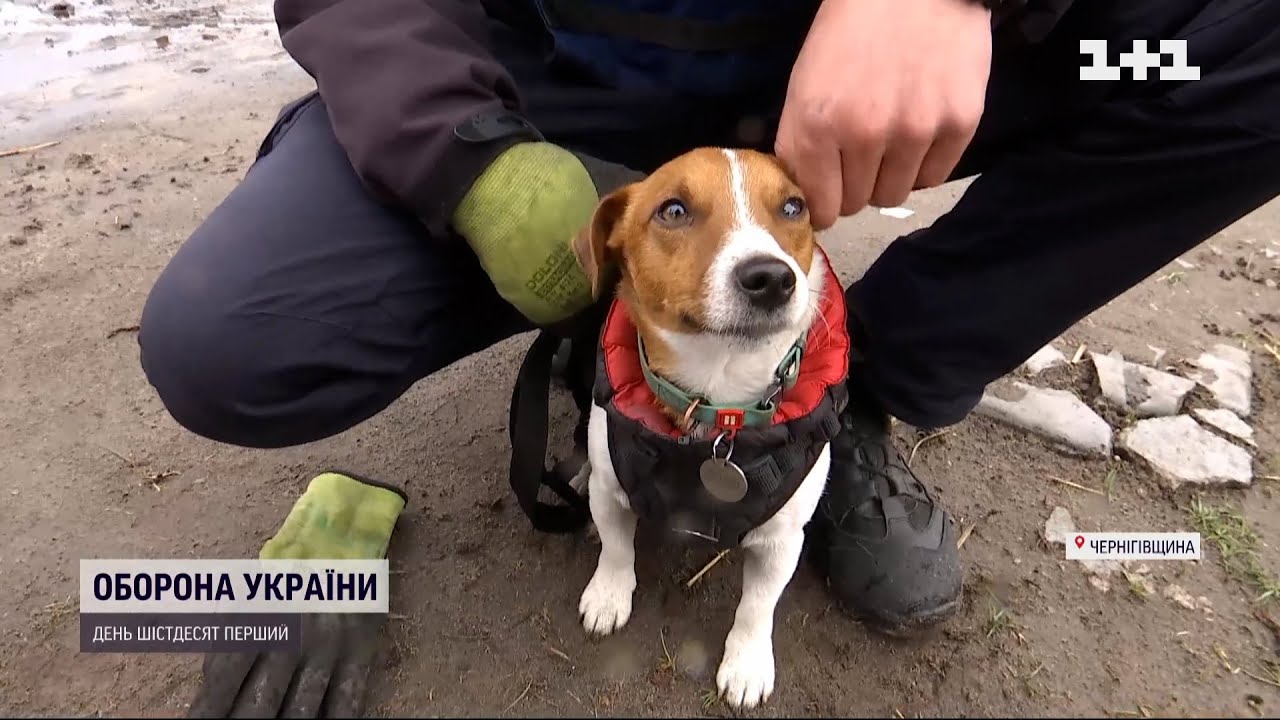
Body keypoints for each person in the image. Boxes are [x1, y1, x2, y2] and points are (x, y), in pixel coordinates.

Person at [142, 0, 1280, 714]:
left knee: (1235, 57)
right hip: (544, 74)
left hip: (909, 66)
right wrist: (470, 161)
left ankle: (857, 387)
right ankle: (625, 328)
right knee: (233, 340)